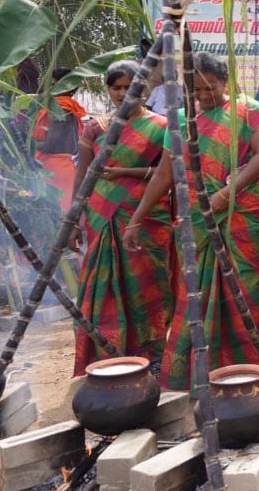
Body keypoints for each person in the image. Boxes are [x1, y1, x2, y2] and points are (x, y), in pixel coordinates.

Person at [128, 52, 259, 390]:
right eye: (196, 90)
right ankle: (202, 374)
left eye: (211, 88)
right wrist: (137, 218)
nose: (204, 96)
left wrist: (224, 196)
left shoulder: (247, 111)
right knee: (197, 293)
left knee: (248, 292)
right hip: (197, 217)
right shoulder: (179, 122)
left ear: (225, 82)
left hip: (241, 215)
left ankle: (251, 373)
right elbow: (165, 173)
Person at [72, 61, 175, 375]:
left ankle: (152, 352)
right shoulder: (95, 127)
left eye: (129, 87)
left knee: (149, 286)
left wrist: (125, 172)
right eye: (115, 87)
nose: (122, 94)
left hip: (146, 214)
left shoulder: (162, 125)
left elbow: (167, 173)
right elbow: (84, 174)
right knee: (101, 286)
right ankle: (106, 351)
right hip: (100, 214)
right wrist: (75, 216)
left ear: (144, 90)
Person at [32, 69, 89, 210]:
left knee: (55, 216)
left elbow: (51, 144)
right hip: (63, 166)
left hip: (54, 169)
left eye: (52, 82)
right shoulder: (66, 106)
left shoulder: (61, 108)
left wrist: (28, 143)